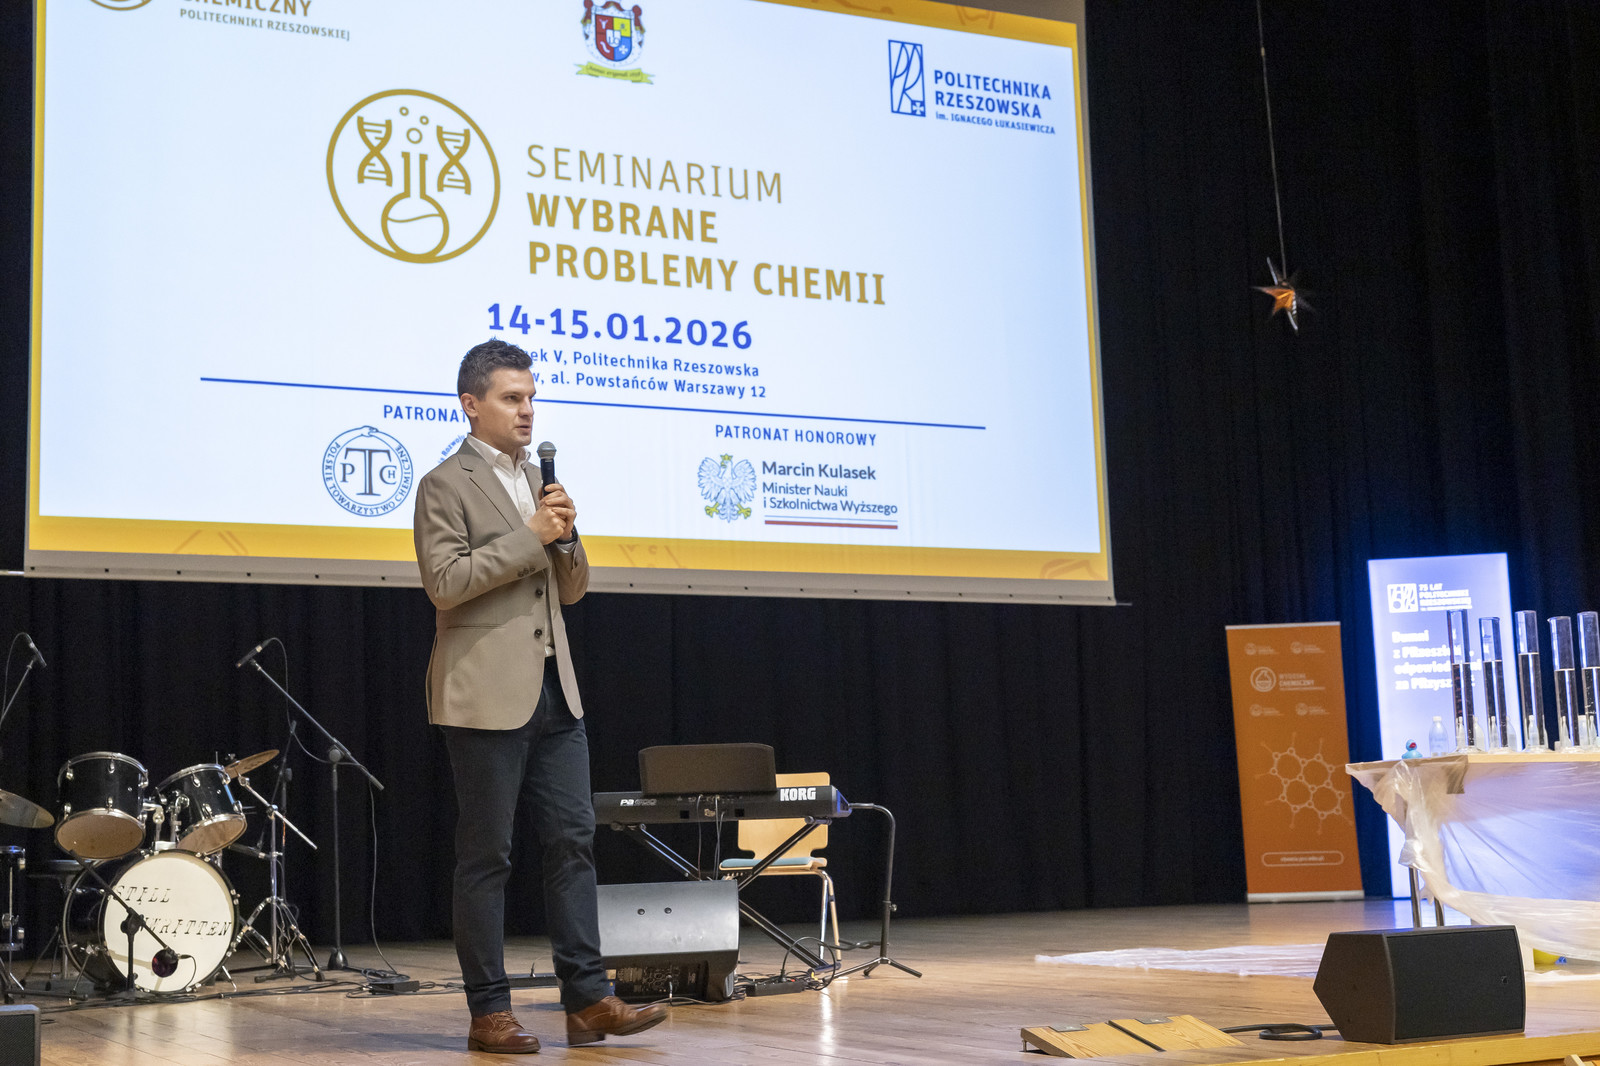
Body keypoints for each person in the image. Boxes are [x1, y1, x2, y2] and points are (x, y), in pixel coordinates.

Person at [413, 338, 667, 1053]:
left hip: (558, 693)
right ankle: (488, 1012)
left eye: (531, 398)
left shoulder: (539, 480)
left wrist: (566, 537)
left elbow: (572, 590)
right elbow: (446, 583)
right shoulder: (444, 483)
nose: (527, 411)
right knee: (487, 856)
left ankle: (587, 1002)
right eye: (511, 399)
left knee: (573, 845)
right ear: (471, 404)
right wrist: (531, 535)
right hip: (484, 694)